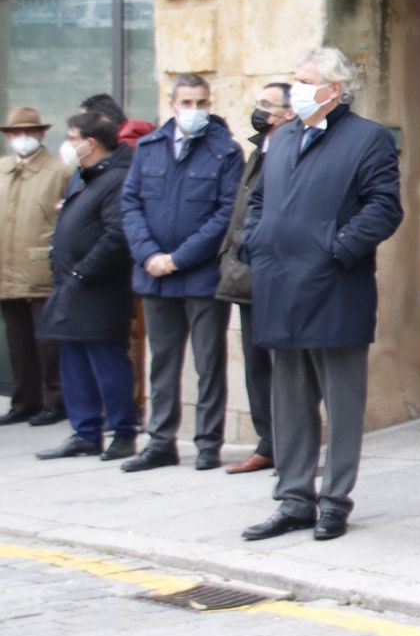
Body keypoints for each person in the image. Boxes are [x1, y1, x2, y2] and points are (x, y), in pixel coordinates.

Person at [238, 47, 403, 542]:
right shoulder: (283, 138)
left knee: (342, 402)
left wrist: (338, 248)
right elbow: (259, 200)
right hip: (279, 285)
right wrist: (257, 239)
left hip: (334, 287)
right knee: (289, 400)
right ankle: (294, 499)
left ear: (334, 89)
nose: (296, 90)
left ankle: (334, 501)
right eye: (294, 80)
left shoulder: (368, 138)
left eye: (305, 81)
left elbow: (384, 207)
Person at [119, 74, 243, 473]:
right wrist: (150, 255)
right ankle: (160, 441)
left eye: (201, 103)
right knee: (162, 363)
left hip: (201, 275)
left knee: (208, 363)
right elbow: (131, 204)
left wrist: (179, 258)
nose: (194, 110)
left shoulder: (226, 151)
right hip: (155, 275)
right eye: (187, 102)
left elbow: (227, 214)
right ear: (172, 104)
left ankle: (208, 442)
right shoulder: (149, 148)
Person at [33, 114, 137, 461]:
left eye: (72, 136)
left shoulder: (116, 179)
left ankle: (123, 432)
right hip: (71, 288)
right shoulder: (86, 176)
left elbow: (116, 236)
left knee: (107, 364)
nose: (68, 143)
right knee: (74, 362)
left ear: (90, 142)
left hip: (97, 291)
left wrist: (82, 272)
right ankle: (85, 432)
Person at [214, 82, 296, 474]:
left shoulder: (293, 150)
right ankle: (268, 442)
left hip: (276, 273)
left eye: (268, 104)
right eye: (258, 103)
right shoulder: (258, 150)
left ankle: (292, 443)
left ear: (289, 112)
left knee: (286, 366)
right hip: (246, 274)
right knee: (255, 363)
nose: (260, 110)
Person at [77, 94, 154, 422]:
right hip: (128, 265)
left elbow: (120, 222)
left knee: (126, 342)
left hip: (123, 267)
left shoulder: (121, 161)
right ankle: (124, 406)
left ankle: (126, 409)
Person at [0, 106, 73, 427]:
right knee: (17, 342)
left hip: (42, 267)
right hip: (7, 268)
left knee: (48, 341)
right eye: (17, 133)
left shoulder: (59, 171)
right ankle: (24, 400)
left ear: (42, 133)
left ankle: (56, 400)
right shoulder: (2, 169)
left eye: (29, 131)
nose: (23, 138)